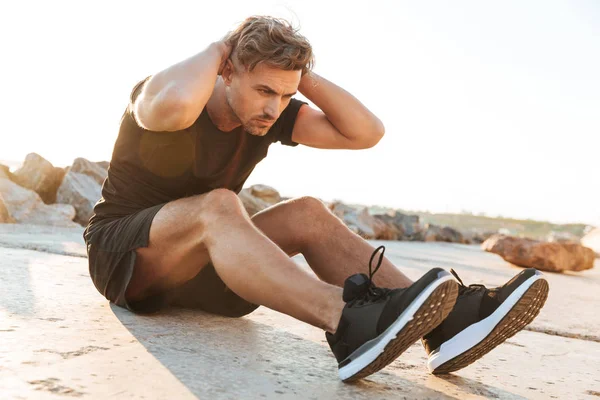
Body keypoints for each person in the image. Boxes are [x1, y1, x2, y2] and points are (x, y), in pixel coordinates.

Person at [83, 15, 549, 382]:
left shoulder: (271, 114)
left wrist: (296, 78)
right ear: (226, 71)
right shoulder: (168, 91)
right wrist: (219, 48)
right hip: (125, 260)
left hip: (206, 273)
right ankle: (346, 321)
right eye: (264, 89)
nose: (273, 107)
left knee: (307, 211)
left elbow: (366, 132)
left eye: (284, 95)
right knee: (221, 204)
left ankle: (447, 327)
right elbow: (176, 109)